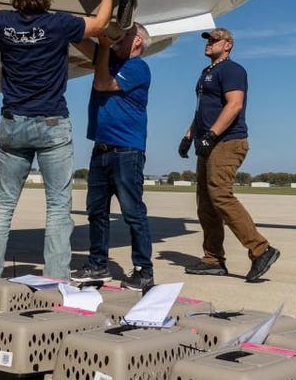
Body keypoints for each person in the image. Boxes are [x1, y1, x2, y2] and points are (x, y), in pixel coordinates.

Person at [0, 0, 123, 280]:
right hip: (51, 124)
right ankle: (56, 281)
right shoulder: (59, 24)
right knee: (58, 208)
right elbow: (99, 25)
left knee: (3, 206)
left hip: (13, 124)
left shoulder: (3, 22)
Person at [177, 28, 280, 282]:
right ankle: (213, 259)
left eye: (214, 40)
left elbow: (234, 104)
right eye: (207, 40)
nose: (209, 43)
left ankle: (261, 250)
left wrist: (210, 135)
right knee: (205, 202)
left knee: (220, 195)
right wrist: (189, 135)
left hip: (228, 141)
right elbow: (203, 110)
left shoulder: (232, 70)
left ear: (228, 44)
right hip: (208, 141)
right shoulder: (206, 73)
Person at [70, 23, 154, 290]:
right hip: (102, 149)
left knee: (132, 212)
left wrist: (104, 46)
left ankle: (144, 269)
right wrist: (95, 27)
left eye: (126, 34)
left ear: (138, 40)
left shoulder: (138, 68)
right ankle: (97, 265)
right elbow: (76, 38)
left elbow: (102, 83)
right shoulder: (109, 59)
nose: (120, 38)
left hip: (126, 150)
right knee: (96, 211)